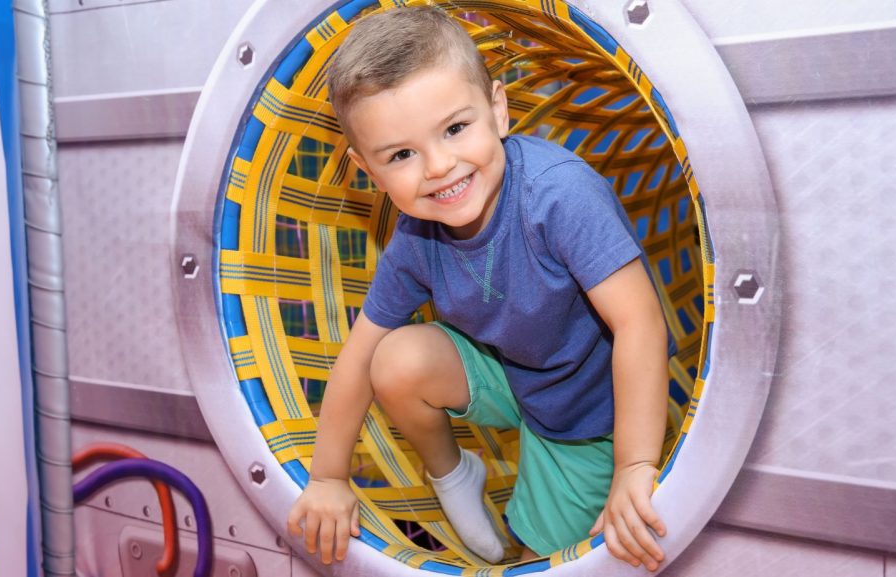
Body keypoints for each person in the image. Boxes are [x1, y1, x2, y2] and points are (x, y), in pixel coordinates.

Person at [287, 5, 670, 571]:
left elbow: (640, 323)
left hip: (594, 412)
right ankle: (452, 473)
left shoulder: (558, 196)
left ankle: (572, 482)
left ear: (499, 109)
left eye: (455, 129)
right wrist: (327, 476)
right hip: (513, 374)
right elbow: (358, 355)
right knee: (393, 358)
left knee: (548, 559)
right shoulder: (417, 237)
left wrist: (634, 467)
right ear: (369, 172)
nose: (439, 166)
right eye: (401, 155)